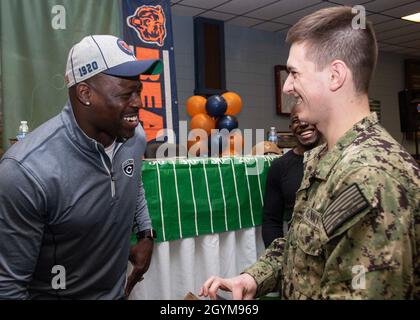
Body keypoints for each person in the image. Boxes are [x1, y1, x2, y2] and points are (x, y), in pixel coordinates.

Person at [200, 6, 420, 300]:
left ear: (335, 75)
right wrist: (252, 278)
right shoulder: (321, 157)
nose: (288, 86)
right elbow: (302, 248)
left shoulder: (369, 175)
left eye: (293, 73)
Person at [0, 35, 162, 299]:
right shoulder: (25, 172)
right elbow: (8, 286)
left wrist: (145, 233)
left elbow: (133, 179)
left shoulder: (134, 137)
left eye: (139, 91)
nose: (138, 103)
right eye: (126, 94)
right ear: (85, 93)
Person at [262, 111, 321, 247]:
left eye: (308, 117)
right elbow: (271, 221)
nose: (303, 124)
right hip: (298, 256)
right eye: (296, 120)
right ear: (291, 128)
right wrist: (277, 258)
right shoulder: (280, 166)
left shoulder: (339, 158)